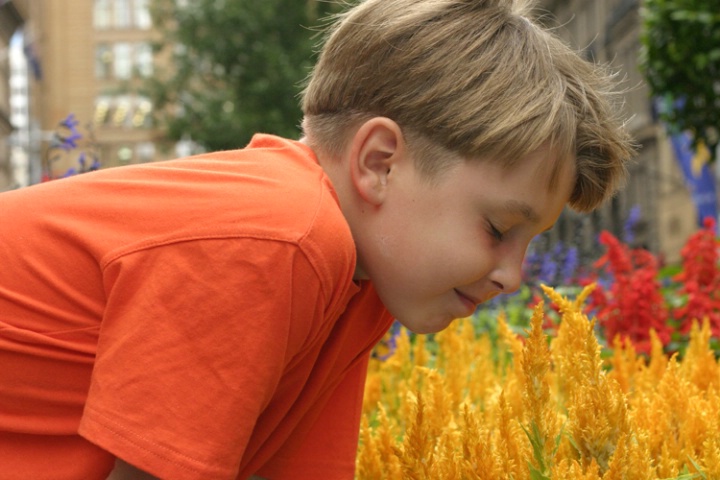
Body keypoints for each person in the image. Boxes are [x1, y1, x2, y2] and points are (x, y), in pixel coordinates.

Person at [0, 0, 634, 478]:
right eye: (498, 229)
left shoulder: (358, 281)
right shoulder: (280, 239)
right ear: (380, 162)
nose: (513, 275)